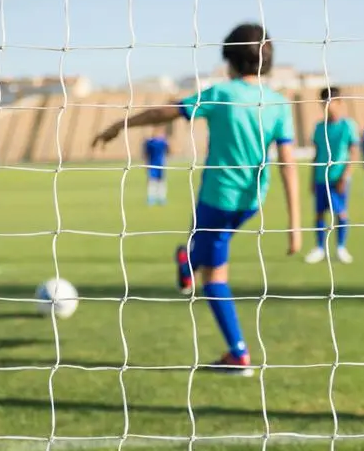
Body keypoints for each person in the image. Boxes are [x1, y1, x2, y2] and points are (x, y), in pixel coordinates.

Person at [92, 23, 301, 376]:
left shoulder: (221, 94)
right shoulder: (278, 103)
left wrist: (120, 125)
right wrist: (295, 225)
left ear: (229, 59)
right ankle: (188, 260)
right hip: (251, 203)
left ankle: (238, 353)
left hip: (218, 201)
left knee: (214, 277)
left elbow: (163, 112)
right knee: (211, 258)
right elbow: (289, 166)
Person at [304, 87, 358, 265]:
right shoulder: (319, 127)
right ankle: (320, 248)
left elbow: (354, 153)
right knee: (319, 214)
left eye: (331, 102)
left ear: (340, 102)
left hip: (338, 179)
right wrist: (312, 178)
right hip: (321, 178)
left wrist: (345, 176)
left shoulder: (347, 125)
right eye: (324, 103)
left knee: (340, 213)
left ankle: (341, 247)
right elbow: (316, 154)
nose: (328, 106)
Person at [143, 126, 170, 205]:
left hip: (161, 165)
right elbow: (146, 154)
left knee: (161, 182)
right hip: (152, 165)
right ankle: (151, 198)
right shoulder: (151, 143)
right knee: (152, 182)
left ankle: (161, 198)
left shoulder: (161, 142)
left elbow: (168, 151)